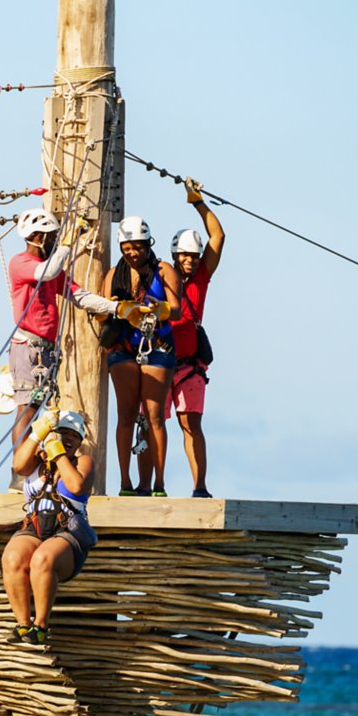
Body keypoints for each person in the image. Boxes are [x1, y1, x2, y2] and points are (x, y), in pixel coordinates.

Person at [4, 207, 140, 456]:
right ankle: (19, 468)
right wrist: (70, 240)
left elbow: (81, 296)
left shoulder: (50, 270)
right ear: (38, 237)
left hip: (43, 349)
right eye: (52, 236)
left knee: (37, 406)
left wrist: (118, 308)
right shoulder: (21, 263)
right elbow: (48, 272)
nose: (55, 241)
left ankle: (27, 463)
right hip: (27, 347)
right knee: (27, 407)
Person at [0, 407, 96, 647]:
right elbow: (19, 466)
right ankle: (23, 624)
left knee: (42, 560)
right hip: (35, 525)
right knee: (12, 558)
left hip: (67, 531)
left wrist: (58, 453)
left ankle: (41, 626)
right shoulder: (36, 462)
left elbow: (75, 486)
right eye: (63, 433)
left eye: (74, 435)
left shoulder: (82, 462)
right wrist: (38, 434)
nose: (69, 439)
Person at [102, 215, 180, 496]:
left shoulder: (163, 271)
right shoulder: (114, 275)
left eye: (138, 247)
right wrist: (119, 308)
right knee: (126, 414)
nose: (133, 253)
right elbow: (101, 313)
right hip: (124, 347)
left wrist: (157, 310)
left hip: (157, 345)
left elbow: (176, 308)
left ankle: (158, 483)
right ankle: (125, 482)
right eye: (128, 248)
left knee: (154, 415)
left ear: (148, 245)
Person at [165, 181, 225, 497]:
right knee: (151, 424)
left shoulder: (200, 277)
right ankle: (153, 486)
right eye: (184, 255)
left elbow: (219, 237)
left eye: (193, 256)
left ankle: (200, 486)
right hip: (162, 361)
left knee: (191, 425)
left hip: (189, 366)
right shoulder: (161, 277)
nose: (189, 260)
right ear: (175, 255)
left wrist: (197, 202)